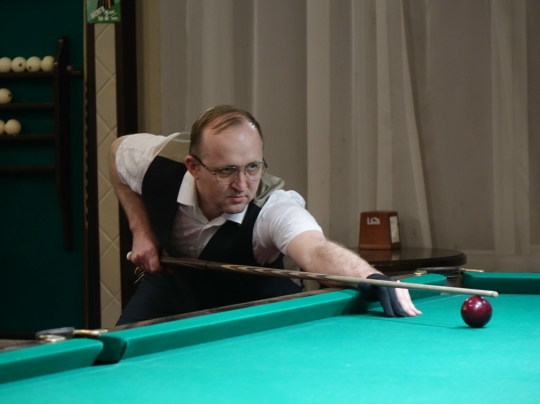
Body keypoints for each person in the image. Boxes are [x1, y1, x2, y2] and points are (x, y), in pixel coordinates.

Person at [110, 105, 421, 325]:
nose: (242, 184)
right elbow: (115, 152)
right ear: (193, 167)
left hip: (253, 302)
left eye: (253, 167)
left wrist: (368, 276)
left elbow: (314, 249)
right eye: (226, 170)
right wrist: (142, 231)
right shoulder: (157, 161)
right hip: (172, 283)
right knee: (115, 358)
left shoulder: (272, 208)